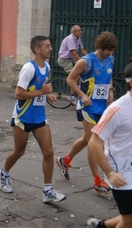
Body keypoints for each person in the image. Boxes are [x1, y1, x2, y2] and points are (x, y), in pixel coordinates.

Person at [0, 35, 67, 203]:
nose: (50, 49)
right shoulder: (29, 68)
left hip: (39, 116)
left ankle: (47, 190)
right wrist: (42, 92)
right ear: (38, 49)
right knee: (19, 151)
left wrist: (48, 95)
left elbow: (37, 89)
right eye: (47, 46)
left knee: (49, 152)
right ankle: (4, 174)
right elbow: (18, 94)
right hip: (23, 116)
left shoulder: (47, 67)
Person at [56, 31, 117, 195]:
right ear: (100, 47)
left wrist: (110, 90)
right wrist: (82, 95)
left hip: (102, 107)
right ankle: (97, 181)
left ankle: (65, 159)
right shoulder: (86, 62)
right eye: (108, 50)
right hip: (87, 106)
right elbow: (70, 79)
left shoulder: (110, 59)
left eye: (112, 50)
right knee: (94, 142)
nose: (110, 53)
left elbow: (109, 76)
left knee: (87, 138)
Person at [86, 61, 132, 228]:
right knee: (131, 221)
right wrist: (110, 173)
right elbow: (94, 142)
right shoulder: (117, 109)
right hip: (121, 173)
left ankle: (100, 226)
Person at [57, 25, 88, 105]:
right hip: (64, 60)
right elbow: (74, 53)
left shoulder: (78, 39)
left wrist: (89, 58)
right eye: (79, 30)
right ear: (74, 32)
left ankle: (73, 84)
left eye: (81, 30)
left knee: (81, 72)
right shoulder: (70, 39)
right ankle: (71, 96)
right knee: (76, 75)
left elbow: (82, 49)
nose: (81, 32)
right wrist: (81, 61)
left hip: (70, 59)